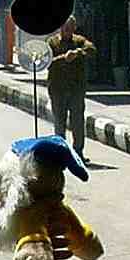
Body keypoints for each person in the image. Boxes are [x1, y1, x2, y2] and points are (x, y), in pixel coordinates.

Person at [47, 16, 96, 162]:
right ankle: (61, 152)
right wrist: (63, 58)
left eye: (69, 28)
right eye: (64, 27)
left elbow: (92, 50)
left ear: (74, 28)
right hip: (57, 88)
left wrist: (78, 53)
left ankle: (78, 152)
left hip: (76, 88)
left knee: (77, 122)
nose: (66, 31)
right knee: (59, 122)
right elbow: (45, 61)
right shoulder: (52, 42)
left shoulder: (79, 41)